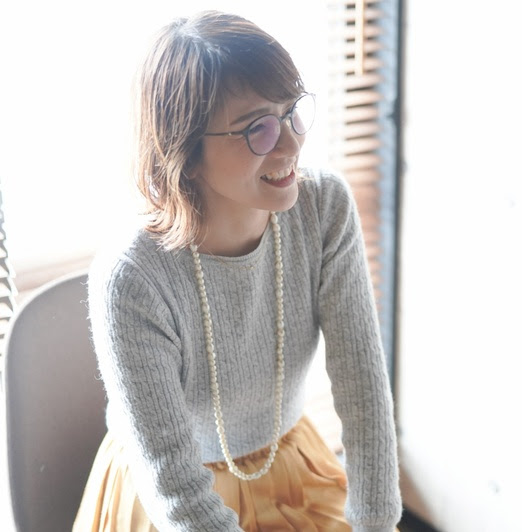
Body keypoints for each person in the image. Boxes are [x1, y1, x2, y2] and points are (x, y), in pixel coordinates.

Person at [73, 10, 402, 532]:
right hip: (171, 502)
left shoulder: (323, 208)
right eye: (258, 129)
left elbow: (364, 393)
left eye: (292, 113)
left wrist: (376, 523)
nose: (291, 145)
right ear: (186, 152)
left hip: (290, 466)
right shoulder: (131, 280)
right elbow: (175, 492)